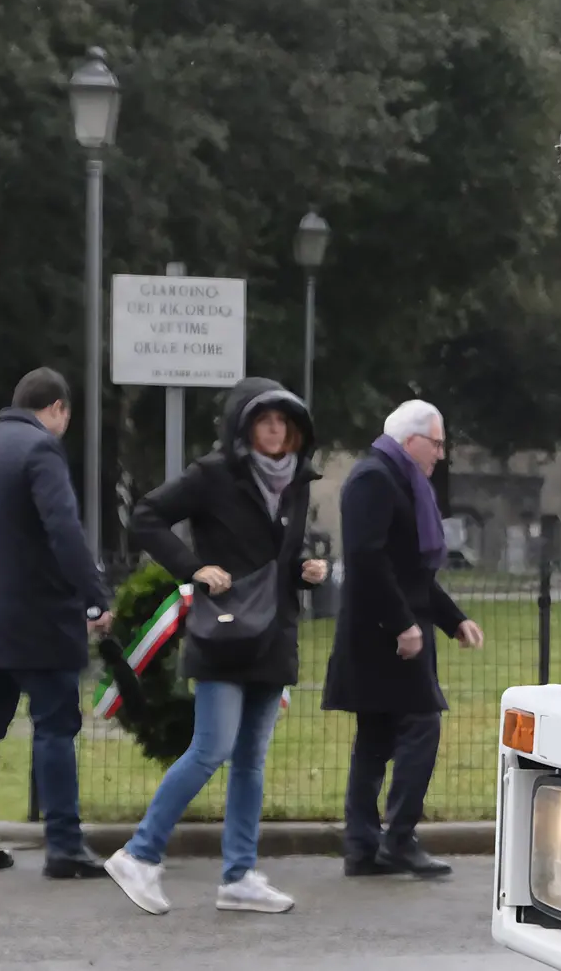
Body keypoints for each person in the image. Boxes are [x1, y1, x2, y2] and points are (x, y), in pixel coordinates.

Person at [105, 377, 327, 916]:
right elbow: (147, 516)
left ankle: (239, 876)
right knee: (211, 749)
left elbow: (274, 558)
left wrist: (303, 571)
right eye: (265, 420)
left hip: (273, 636)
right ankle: (139, 854)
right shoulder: (213, 474)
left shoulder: (297, 482)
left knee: (251, 760)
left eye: (284, 422)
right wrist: (193, 569)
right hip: (224, 633)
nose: (276, 431)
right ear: (243, 427)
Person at [0, 367, 113, 877]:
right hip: (41, 616)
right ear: (58, 408)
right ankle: (64, 845)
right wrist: (94, 595)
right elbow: (64, 531)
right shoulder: (41, 449)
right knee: (54, 726)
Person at [322, 399, 484, 879]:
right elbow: (369, 560)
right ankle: (397, 838)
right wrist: (402, 624)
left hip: (391, 631)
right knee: (422, 724)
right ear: (410, 440)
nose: (440, 454)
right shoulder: (375, 479)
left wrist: (452, 619)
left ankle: (363, 846)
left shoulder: (397, 478)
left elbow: (411, 572)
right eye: (435, 444)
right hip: (385, 637)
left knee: (375, 737)